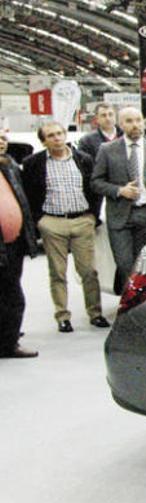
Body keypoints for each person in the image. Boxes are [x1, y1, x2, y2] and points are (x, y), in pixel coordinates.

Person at [21, 122, 107, 333]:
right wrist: (39, 220)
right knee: (57, 272)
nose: (57, 138)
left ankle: (95, 313)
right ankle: (62, 316)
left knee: (89, 271)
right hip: (52, 222)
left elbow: (94, 189)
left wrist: (91, 217)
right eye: (51, 135)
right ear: (44, 141)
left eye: (60, 133)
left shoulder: (83, 160)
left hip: (81, 220)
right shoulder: (34, 163)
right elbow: (29, 193)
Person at [90, 107, 146, 295]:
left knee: (144, 265)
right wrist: (119, 191)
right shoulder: (107, 150)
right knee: (125, 264)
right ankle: (130, 305)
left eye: (138, 120)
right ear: (121, 124)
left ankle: (143, 305)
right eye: (130, 121)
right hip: (119, 216)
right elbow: (96, 182)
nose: (135, 125)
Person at [0, 140, 38, 358]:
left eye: (3, 139)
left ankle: (8, 338)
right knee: (11, 296)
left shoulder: (10, 166)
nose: (1, 143)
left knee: (10, 293)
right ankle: (7, 342)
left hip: (14, 244)